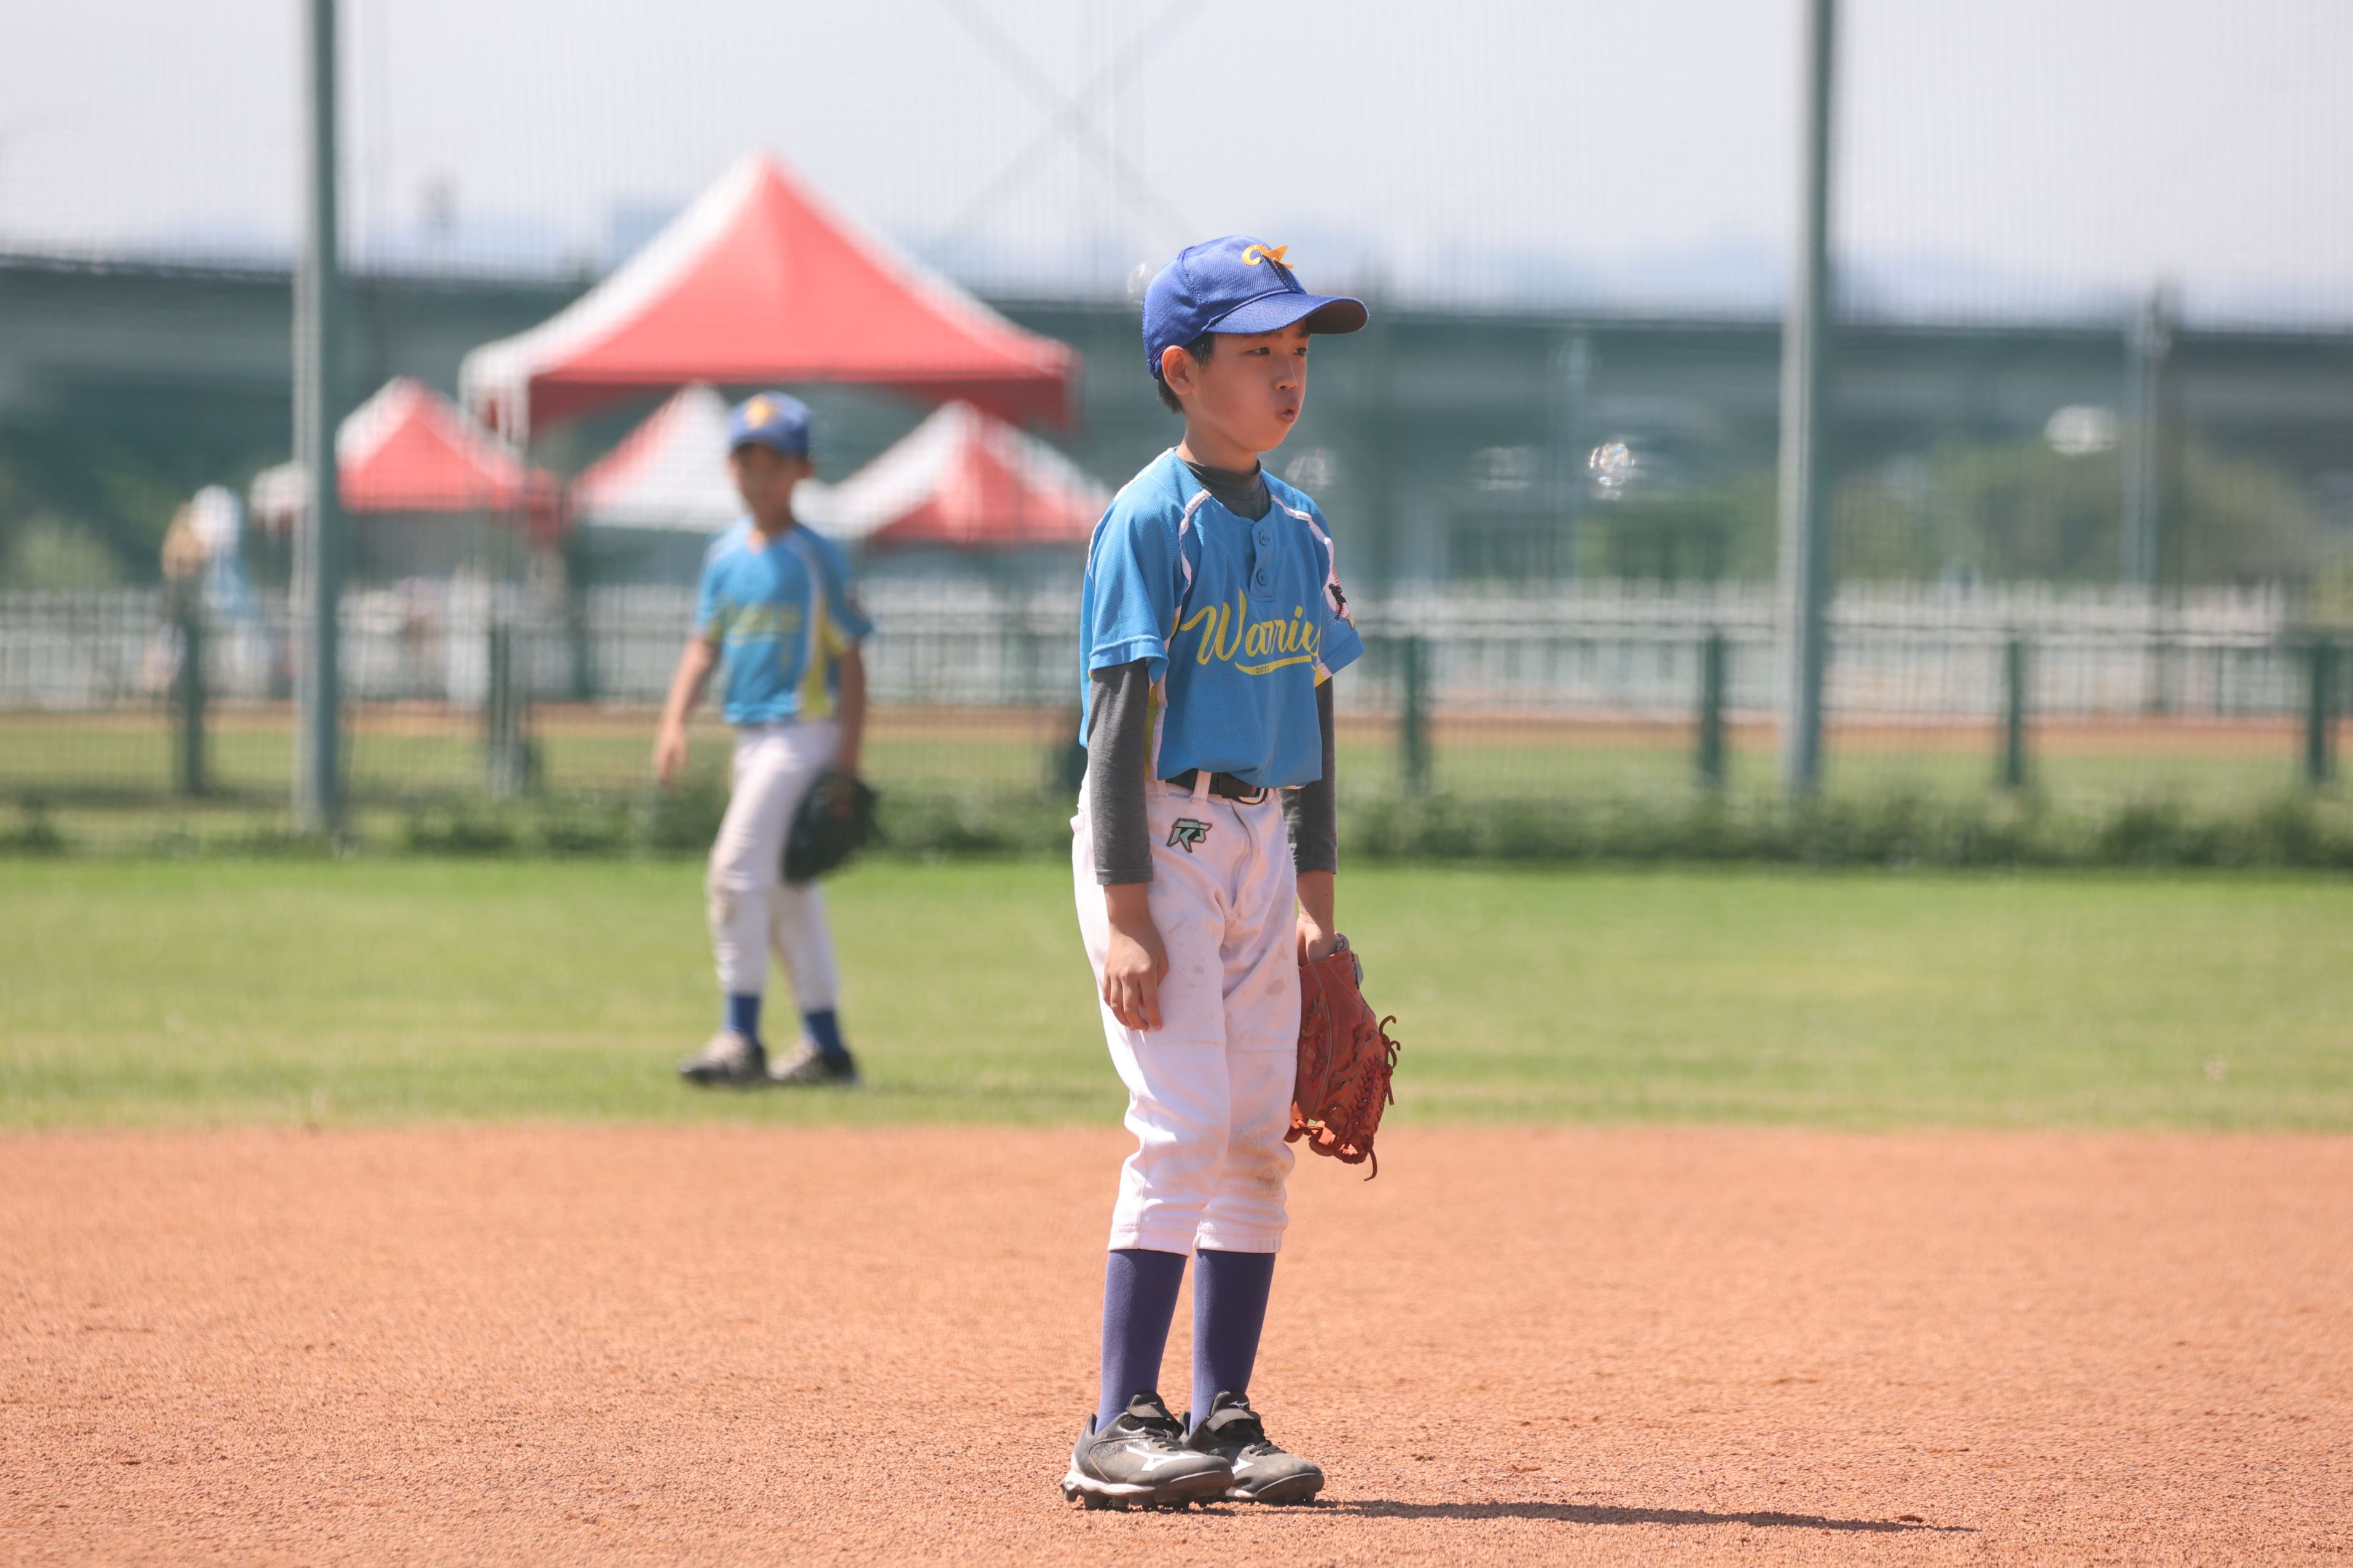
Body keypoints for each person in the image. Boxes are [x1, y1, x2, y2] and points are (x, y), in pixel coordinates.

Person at [1060, 237, 1367, 1510]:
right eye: (1258, 353)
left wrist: (1318, 915)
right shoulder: (1151, 518)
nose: (1289, 374)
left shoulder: (1301, 524)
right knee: (1182, 1124)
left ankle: (1222, 1414)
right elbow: (1115, 728)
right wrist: (1128, 914)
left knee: (1252, 1137)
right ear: (1182, 371)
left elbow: (1316, 725)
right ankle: (1113, 1424)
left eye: (1298, 352)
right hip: (1156, 834)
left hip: (1262, 846)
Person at [653, 392, 871, 1088]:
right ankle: (828, 1049)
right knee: (784, 894)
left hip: (803, 732)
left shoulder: (816, 557)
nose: (759, 476)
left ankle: (739, 1038)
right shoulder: (723, 556)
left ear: (803, 470)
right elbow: (703, 644)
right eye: (746, 462)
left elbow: (850, 660)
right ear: (731, 469)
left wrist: (845, 763)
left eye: (774, 463)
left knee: (732, 872)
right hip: (751, 737)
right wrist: (673, 722)